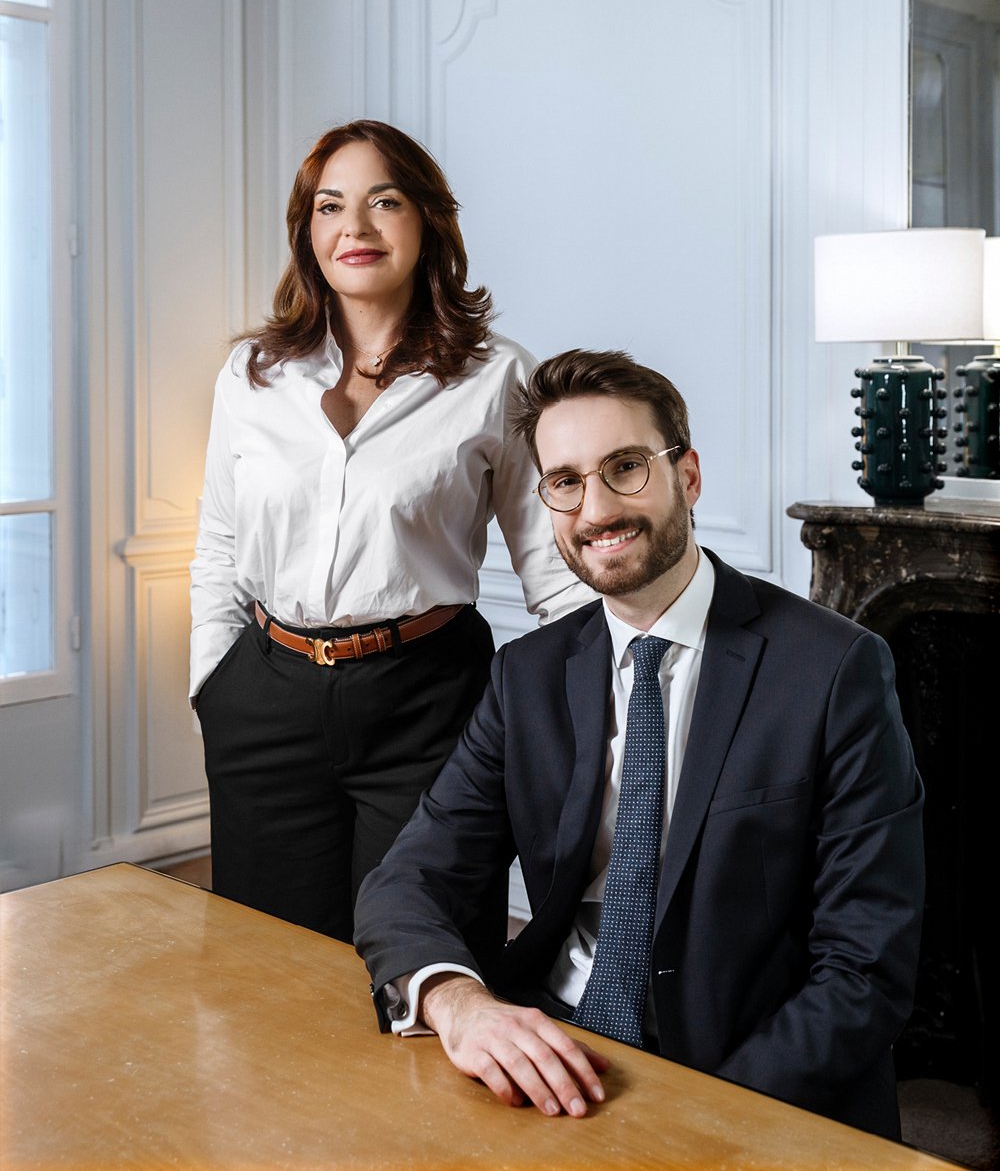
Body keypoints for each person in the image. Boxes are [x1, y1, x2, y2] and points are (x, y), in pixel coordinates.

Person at [354, 348, 925, 1138]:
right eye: (565, 482)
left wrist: (700, 1119)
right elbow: (407, 880)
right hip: (559, 1046)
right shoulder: (528, 675)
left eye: (625, 467)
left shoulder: (833, 670)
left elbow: (865, 970)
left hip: (747, 1074)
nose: (595, 511)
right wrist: (463, 1006)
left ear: (688, 476)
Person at [189, 122, 587, 944]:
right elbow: (220, 545)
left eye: (384, 202)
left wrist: (571, 729)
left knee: (425, 950)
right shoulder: (254, 374)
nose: (355, 229)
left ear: (429, 223)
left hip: (428, 700)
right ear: (307, 232)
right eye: (330, 206)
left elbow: (553, 573)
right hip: (265, 695)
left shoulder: (496, 376)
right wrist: (213, 685)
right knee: (269, 965)